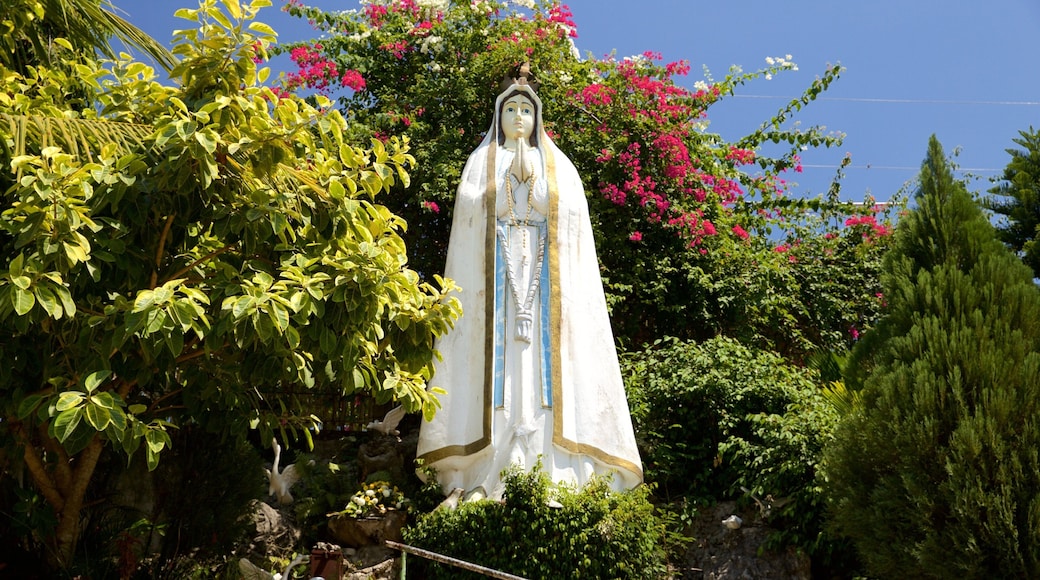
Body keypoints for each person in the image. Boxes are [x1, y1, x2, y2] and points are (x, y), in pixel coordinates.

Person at [416, 73, 642, 501]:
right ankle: (487, 470)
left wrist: (536, 186)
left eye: (526, 111)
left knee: (543, 373)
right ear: (498, 117)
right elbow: (469, 214)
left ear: (537, 119)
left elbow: (571, 214)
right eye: (510, 110)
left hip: (545, 282)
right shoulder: (481, 162)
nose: (518, 118)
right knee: (498, 375)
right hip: (495, 282)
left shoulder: (556, 164)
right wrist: (502, 187)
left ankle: (554, 473)